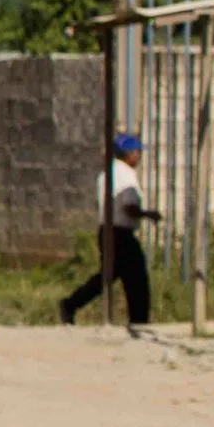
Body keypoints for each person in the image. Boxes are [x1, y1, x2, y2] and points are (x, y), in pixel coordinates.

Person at [61, 133, 159, 326]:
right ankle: (139, 321)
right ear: (129, 153)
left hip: (107, 231)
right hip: (121, 234)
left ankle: (71, 303)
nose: (139, 157)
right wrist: (148, 214)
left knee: (106, 277)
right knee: (137, 280)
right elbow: (129, 207)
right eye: (137, 152)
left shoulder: (106, 173)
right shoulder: (126, 175)